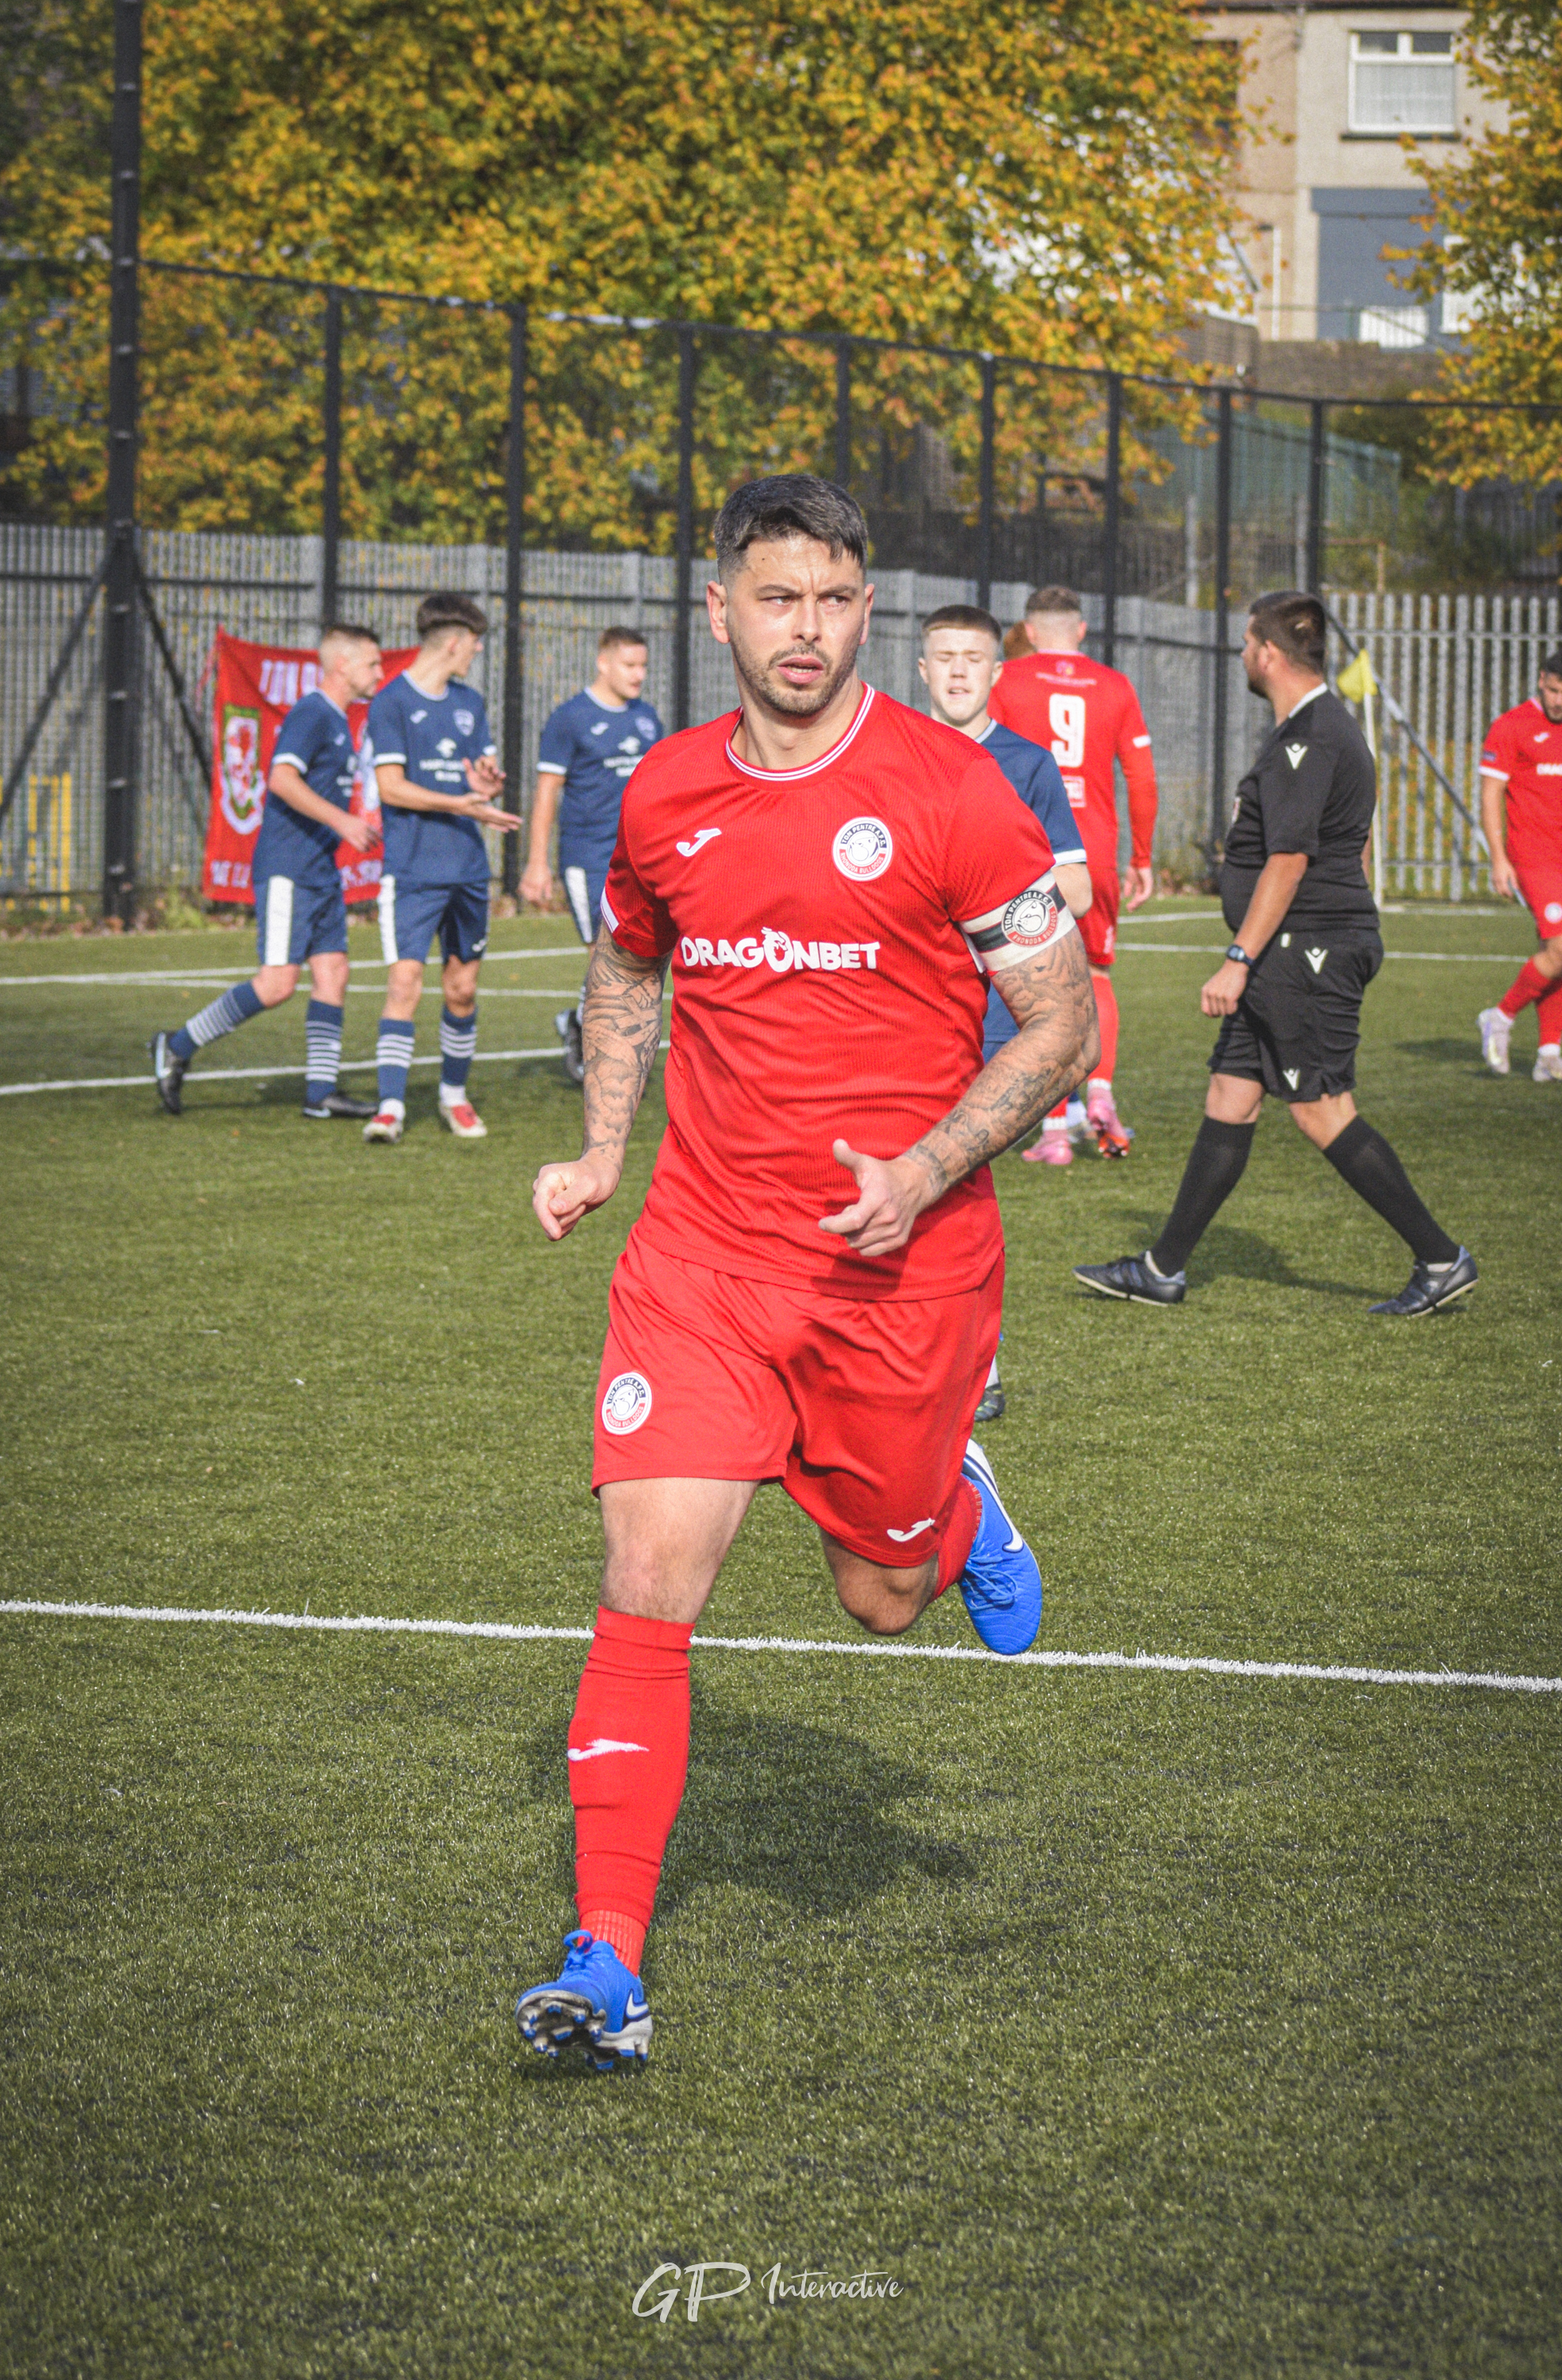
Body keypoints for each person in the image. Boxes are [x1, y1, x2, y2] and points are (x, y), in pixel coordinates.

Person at [513, 474, 1097, 2070]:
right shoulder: (664, 796)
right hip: (702, 1258)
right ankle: (607, 1966)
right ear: (722, 609)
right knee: (649, 1582)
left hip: (899, 1275)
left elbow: (1062, 1020)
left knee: (883, 1600)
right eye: (777, 598)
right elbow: (628, 969)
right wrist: (600, 1153)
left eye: (836, 600)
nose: (807, 629)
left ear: (866, 610)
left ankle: (952, 1503)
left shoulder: (954, 792)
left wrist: (920, 1169)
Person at [1075, 590, 1476, 1319]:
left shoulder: (1310, 735)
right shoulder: (1312, 728)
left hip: (1303, 952)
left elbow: (1289, 860)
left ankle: (1441, 1258)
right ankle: (1163, 1269)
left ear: (1267, 651)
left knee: (1322, 1110)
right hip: (1292, 951)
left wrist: (1238, 957)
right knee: (1230, 1096)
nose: (1241, 654)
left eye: (1245, 642)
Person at [917, 601, 1092, 1422]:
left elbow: (1079, 887)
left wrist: (981, 912)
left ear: (996, 674)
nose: (955, 670)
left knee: (960, 1182)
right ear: (921, 669)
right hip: (899, 1007)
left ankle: (977, 1367)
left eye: (971, 658)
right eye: (941, 656)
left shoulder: (1023, 765)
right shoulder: (890, 755)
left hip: (989, 1010)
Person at [150, 624, 386, 1121]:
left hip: (320, 871)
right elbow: (280, 779)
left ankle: (321, 1094)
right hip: (287, 868)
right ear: (342, 666)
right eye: (372, 664)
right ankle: (177, 1044)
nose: (379, 673)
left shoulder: (342, 720)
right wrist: (343, 820)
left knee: (334, 974)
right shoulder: (312, 713)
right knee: (277, 983)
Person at [988, 584, 1157, 1156]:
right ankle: (1102, 1095)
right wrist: (1142, 858)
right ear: (1081, 631)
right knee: (1097, 977)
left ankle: (1055, 1131)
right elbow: (1142, 777)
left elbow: (985, 760)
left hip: (1033, 851)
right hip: (1099, 852)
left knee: (1037, 986)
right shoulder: (1115, 685)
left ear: (1029, 631)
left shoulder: (1007, 679)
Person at [360, 594, 518, 1145]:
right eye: (474, 643)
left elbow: (478, 774)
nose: (476, 652)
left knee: (462, 990)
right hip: (411, 871)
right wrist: (462, 805)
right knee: (404, 982)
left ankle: (454, 1096)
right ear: (455, 642)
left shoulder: (469, 703)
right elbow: (390, 787)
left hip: (467, 870)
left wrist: (485, 785)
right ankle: (389, 1108)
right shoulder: (390, 703)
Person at [519, 628, 666, 1084]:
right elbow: (547, 792)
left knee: (635, 958)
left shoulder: (647, 718)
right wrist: (537, 862)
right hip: (589, 859)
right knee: (605, 957)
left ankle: (579, 1024)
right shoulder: (570, 718)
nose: (639, 675)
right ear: (603, 663)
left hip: (641, 859)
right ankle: (603, 1056)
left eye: (643, 666)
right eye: (629, 666)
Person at [1475, 650, 1562, 1083]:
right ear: (1541, 678)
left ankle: (1549, 1050)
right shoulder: (1511, 726)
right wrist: (1498, 858)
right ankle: (1501, 1016)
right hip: (1534, 857)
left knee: (1556, 952)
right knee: (1561, 947)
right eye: (1553, 690)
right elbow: (1491, 794)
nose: (1558, 702)